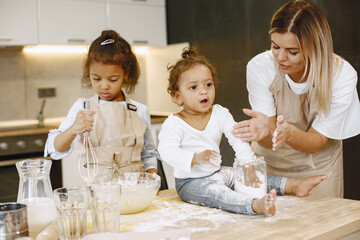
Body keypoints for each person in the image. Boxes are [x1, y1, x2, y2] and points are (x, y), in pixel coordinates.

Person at [158, 48, 327, 216]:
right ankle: (254, 205)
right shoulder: (174, 123)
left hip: (218, 173)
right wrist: (195, 158)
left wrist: (247, 166)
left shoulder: (220, 113)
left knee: (251, 176)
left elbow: (237, 138)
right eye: (193, 87)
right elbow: (166, 151)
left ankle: (293, 186)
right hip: (190, 182)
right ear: (177, 96)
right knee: (218, 194)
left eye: (208, 84)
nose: (203, 91)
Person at [232, 0, 360, 198]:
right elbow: (268, 140)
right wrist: (263, 130)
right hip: (270, 166)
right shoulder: (260, 67)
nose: (281, 57)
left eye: (293, 52)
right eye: (275, 47)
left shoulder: (340, 75)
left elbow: (317, 141)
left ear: (315, 48)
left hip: (318, 169)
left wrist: (289, 133)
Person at [44, 30, 158, 185]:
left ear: (126, 74)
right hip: (97, 194)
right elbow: (55, 149)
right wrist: (73, 128)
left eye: (113, 79)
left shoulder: (140, 111)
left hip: (135, 192)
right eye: (96, 78)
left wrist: (153, 178)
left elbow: (148, 154)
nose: (104, 86)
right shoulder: (82, 108)